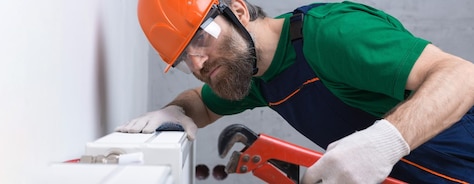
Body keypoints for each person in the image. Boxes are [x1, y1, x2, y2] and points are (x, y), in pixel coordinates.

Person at [115, 0, 474, 183]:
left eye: (200, 37)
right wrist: (175, 111)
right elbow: (200, 105)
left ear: (237, 10)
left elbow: (461, 75)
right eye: (183, 59)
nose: (197, 64)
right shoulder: (253, 75)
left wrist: (385, 141)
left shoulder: (332, 34)